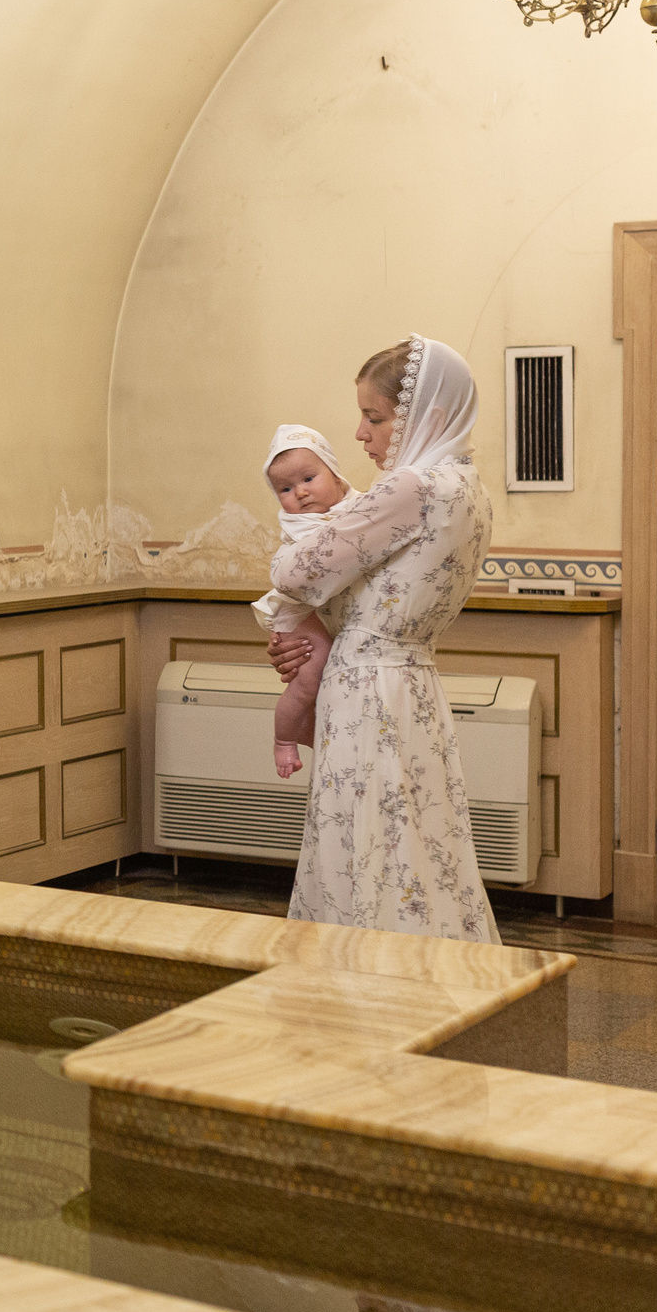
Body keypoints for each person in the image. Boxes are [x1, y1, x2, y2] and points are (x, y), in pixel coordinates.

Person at [266, 336, 497, 942]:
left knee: (363, 845)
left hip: (366, 687)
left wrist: (307, 621)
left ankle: (364, 978)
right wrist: (311, 638)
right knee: (419, 846)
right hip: (412, 683)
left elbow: (293, 573)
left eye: (375, 417)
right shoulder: (470, 488)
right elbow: (382, 593)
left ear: (428, 416)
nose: (361, 434)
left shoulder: (412, 487)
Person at [251, 425, 352, 779]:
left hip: (325, 615)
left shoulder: (362, 504)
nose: (301, 492)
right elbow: (296, 572)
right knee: (308, 678)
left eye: (309, 478)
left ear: (335, 474)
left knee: (321, 679)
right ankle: (284, 739)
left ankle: (307, 725)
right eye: (286, 489)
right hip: (299, 613)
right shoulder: (301, 525)